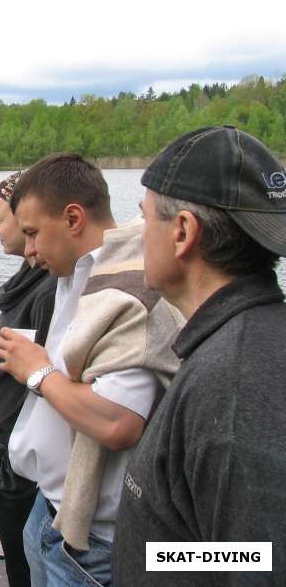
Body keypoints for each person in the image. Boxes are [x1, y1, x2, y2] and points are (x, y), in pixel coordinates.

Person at [0, 153, 183, 586]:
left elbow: (119, 422)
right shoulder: (76, 273)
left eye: (33, 234)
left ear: (73, 218)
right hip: (50, 515)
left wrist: (37, 372)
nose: (29, 251)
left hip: (92, 545)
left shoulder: (130, 289)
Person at [113, 127, 286, 585]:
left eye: (146, 218)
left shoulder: (236, 388)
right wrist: (164, 547)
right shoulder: (237, 341)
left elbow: (258, 559)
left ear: (183, 232)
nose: (139, 233)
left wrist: (159, 554)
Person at [0, 171, 56, 586]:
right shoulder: (29, 285)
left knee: (27, 568)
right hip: (6, 455)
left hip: (22, 467)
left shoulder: (46, 292)